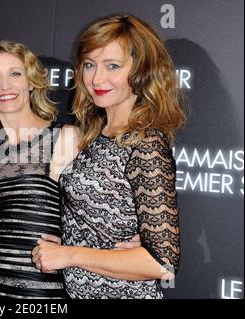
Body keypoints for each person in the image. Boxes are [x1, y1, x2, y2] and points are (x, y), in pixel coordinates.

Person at [0, 40, 140, 299]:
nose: (5, 86)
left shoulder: (66, 139)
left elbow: (111, 212)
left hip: (41, 293)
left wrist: (135, 242)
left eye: (15, 73)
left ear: (31, 81)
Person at [32, 14, 185, 299]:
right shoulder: (95, 131)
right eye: (90, 65)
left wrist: (69, 255)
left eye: (112, 66)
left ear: (140, 72)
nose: (97, 78)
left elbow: (162, 263)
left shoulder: (145, 142)